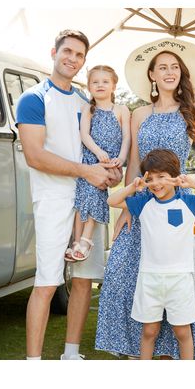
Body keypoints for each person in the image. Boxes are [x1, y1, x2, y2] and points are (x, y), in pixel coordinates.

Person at [95, 37, 195, 359]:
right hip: (144, 200)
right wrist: (125, 209)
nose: (169, 71)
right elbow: (135, 163)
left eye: (174, 66)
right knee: (125, 271)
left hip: (176, 200)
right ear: (151, 75)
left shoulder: (194, 109)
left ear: (181, 73)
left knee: (173, 275)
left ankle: (173, 351)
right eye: (162, 67)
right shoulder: (139, 114)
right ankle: (137, 349)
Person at [16, 29, 121, 360]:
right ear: (54, 52)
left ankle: (70, 355)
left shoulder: (85, 103)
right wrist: (86, 171)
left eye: (79, 55)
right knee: (47, 283)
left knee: (83, 281)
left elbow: (98, 151)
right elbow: (35, 156)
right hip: (52, 201)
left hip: (88, 202)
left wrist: (109, 171)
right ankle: (34, 361)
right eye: (68, 51)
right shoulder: (33, 98)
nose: (72, 58)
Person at [107, 148, 195, 359]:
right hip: (149, 278)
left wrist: (193, 184)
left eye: (162, 176)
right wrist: (133, 187)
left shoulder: (188, 203)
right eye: (151, 178)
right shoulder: (143, 203)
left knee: (182, 331)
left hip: (180, 280)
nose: (156, 183)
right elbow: (112, 201)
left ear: (174, 176)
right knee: (149, 331)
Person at [66, 65, 131, 262]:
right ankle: (78, 242)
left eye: (105, 81)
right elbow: (84, 134)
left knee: (94, 193)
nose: (100, 85)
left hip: (110, 163)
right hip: (90, 159)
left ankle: (85, 240)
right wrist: (98, 152)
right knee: (82, 199)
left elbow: (127, 137)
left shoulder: (121, 109)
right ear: (89, 86)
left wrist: (120, 157)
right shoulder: (88, 108)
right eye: (95, 82)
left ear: (113, 86)